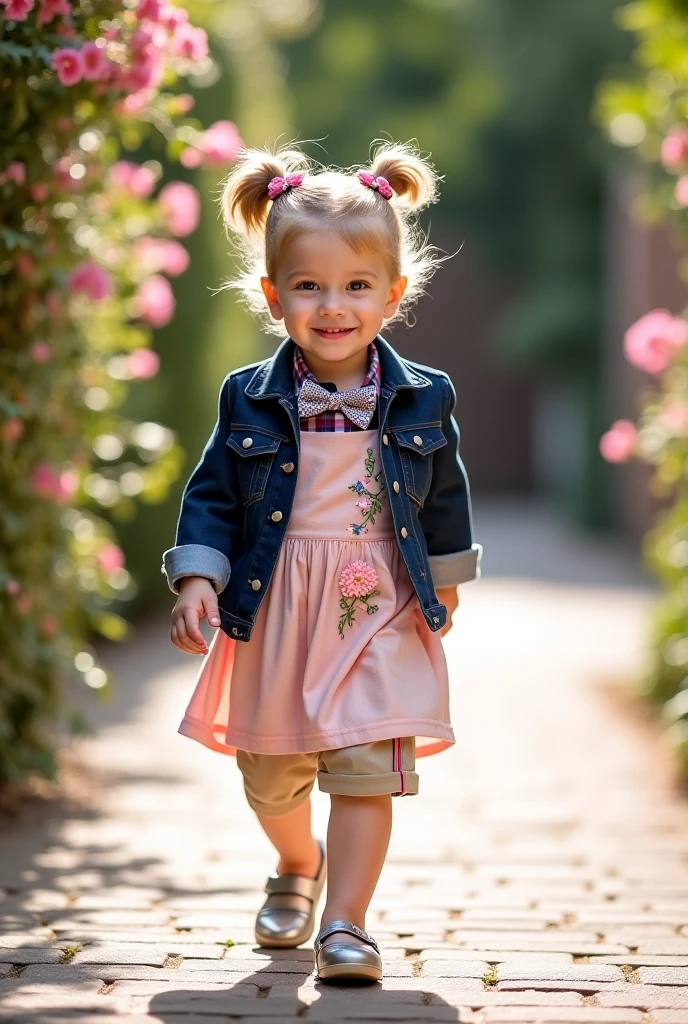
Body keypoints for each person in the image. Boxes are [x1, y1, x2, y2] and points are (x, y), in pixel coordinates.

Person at [161, 139, 482, 984]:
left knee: (366, 767)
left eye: (354, 286)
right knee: (271, 776)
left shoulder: (423, 396)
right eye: (307, 286)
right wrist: (199, 573)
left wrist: (446, 577)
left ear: (392, 294)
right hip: (274, 608)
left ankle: (347, 923)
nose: (331, 306)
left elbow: (443, 489)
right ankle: (297, 865)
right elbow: (215, 496)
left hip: (375, 602)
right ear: (274, 296)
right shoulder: (248, 396)